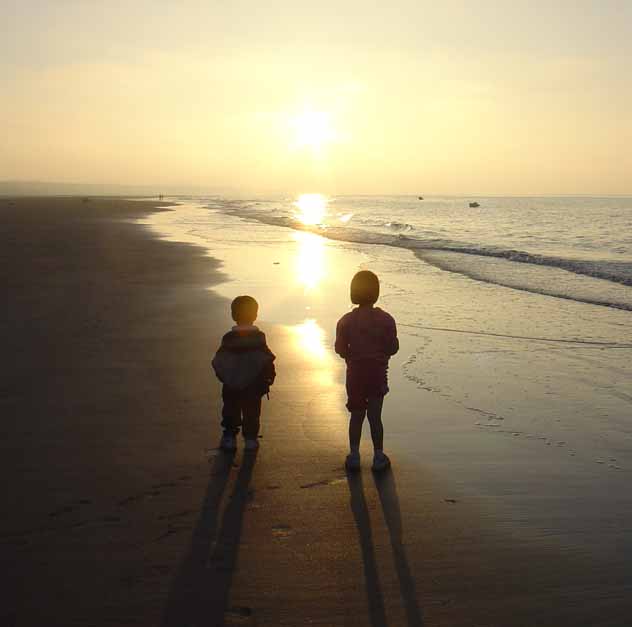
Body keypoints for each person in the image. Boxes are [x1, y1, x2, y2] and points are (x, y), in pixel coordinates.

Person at [335, 271, 399, 471]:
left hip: (355, 375)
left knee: (356, 416)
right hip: (377, 373)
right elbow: (393, 348)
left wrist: (351, 357)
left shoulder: (345, 321)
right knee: (374, 416)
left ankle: (354, 455)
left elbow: (340, 349)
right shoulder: (386, 319)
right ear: (376, 292)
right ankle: (378, 456)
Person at [212, 295, 275, 452]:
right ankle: (250, 439)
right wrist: (269, 378)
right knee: (252, 412)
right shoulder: (259, 337)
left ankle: (229, 437)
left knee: (230, 410)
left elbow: (218, 360)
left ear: (233, 315)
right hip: (253, 383)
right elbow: (267, 359)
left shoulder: (228, 338)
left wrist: (224, 377)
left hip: (231, 383)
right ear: (255, 315)